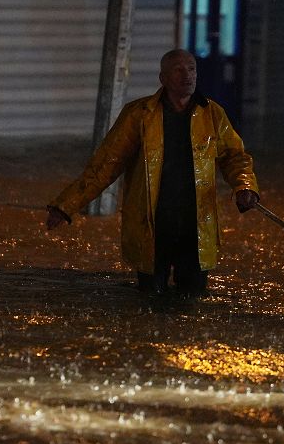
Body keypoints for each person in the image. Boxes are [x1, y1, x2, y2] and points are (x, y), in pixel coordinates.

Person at [46, 49, 260, 294]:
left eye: (191, 69)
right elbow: (106, 165)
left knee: (193, 300)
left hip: (196, 227)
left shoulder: (213, 114)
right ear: (163, 79)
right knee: (150, 299)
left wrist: (245, 186)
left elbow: (235, 157)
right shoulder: (139, 115)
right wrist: (66, 205)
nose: (187, 75)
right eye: (178, 70)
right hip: (152, 226)